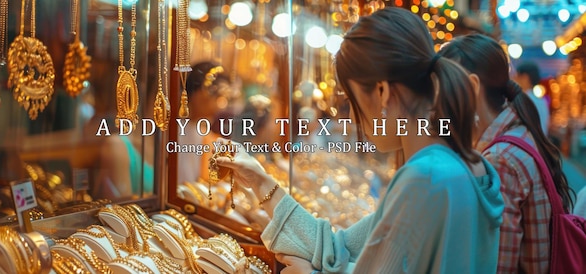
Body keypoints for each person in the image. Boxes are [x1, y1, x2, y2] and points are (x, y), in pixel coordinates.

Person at [216, 7, 504, 273]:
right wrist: (260, 181)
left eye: (353, 101)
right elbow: (335, 248)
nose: (354, 118)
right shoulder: (466, 165)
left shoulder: (424, 177)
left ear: (382, 93)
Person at [439, 33, 574, 273]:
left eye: (444, 89)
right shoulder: (517, 133)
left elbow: (497, 267)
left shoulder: (499, 161)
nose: (439, 103)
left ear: (471, 86)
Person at [177, 61, 233, 184]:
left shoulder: (208, 137)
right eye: (215, 94)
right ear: (196, 92)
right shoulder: (173, 132)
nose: (221, 103)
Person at [513, 61, 550, 136]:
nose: (514, 79)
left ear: (525, 78)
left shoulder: (523, 100)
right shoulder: (541, 101)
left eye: (517, 76)